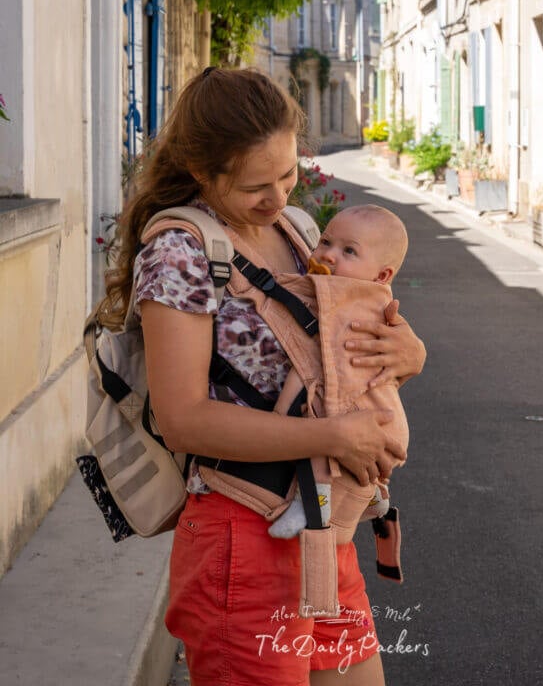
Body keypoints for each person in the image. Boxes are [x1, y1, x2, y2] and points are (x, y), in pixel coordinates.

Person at [98, 67, 426, 686]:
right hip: (240, 538)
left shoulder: (298, 232)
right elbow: (183, 417)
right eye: (256, 186)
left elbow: (335, 354)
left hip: (323, 527)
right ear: (203, 172)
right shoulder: (180, 252)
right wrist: (332, 439)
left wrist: (407, 351)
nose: (279, 198)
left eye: (287, 173)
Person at [268, 204, 410, 540]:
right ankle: (376, 498)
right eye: (326, 242)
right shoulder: (364, 299)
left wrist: (280, 414)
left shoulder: (349, 309)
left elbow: (310, 367)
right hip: (384, 416)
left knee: (318, 444)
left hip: (370, 415)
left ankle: (311, 505)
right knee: (350, 463)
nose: (328, 256)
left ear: (382, 276)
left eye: (348, 251)